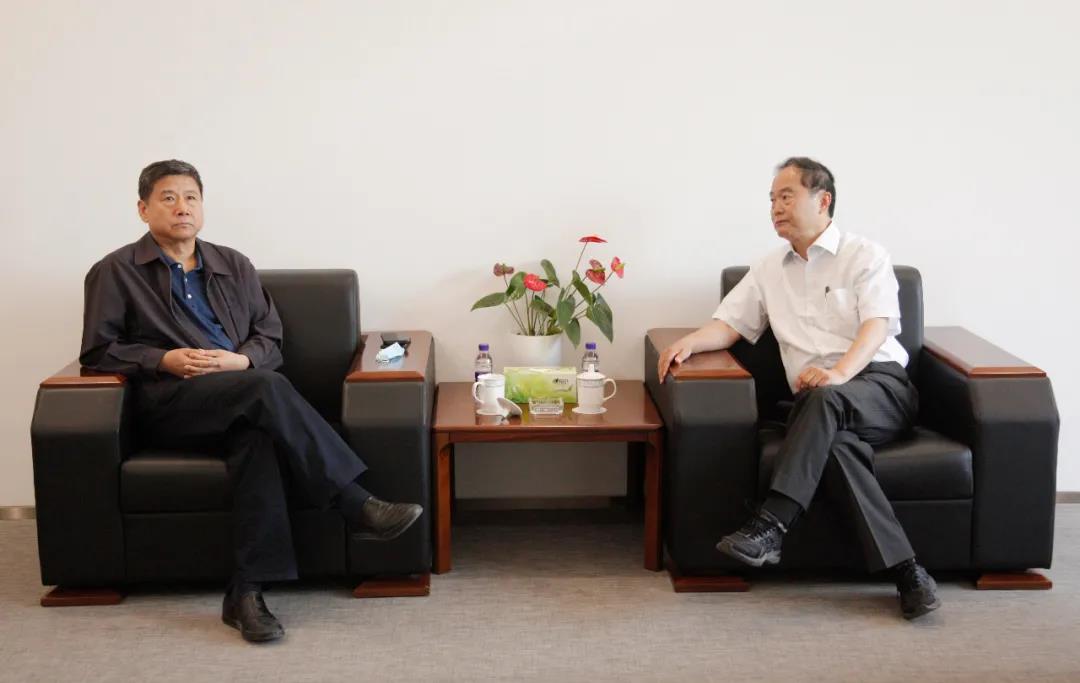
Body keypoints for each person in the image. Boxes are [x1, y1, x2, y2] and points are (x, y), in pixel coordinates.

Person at [80, 159, 424, 642]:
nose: (182, 208)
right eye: (168, 198)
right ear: (143, 209)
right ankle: (355, 502)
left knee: (259, 441)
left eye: (191, 197)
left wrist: (240, 361)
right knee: (267, 387)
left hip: (240, 395)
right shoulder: (116, 271)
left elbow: (269, 336)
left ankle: (246, 594)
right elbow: (98, 350)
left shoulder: (233, 265)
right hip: (171, 403)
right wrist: (163, 359)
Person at [657, 157, 940, 619]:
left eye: (786, 196)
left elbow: (877, 325)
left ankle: (772, 522)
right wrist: (688, 343)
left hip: (878, 387)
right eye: (772, 199)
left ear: (823, 200)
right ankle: (909, 573)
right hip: (817, 406)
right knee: (837, 446)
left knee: (824, 399)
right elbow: (729, 324)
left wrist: (840, 372)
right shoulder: (769, 269)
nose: (776, 208)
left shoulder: (864, 255)